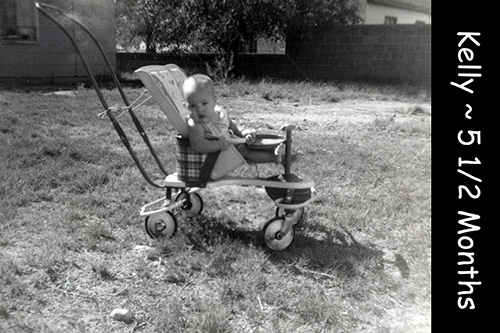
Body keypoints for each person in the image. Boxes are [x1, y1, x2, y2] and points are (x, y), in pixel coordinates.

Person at [182, 74, 284, 164]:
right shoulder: (196, 125)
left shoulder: (219, 112)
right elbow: (198, 145)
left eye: (204, 103)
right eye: (193, 106)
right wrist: (218, 145)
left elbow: (230, 124)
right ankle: (273, 157)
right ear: (185, 107)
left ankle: (278, 151)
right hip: (216, 157)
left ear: (214, 101)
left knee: (251, 141)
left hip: (230, 145)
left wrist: (241, 132)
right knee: (243, 151)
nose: (200, 109)